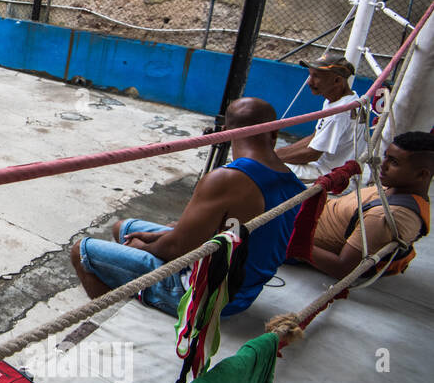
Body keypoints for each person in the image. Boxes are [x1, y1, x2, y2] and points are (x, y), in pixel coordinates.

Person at [70, 97, 305, 317]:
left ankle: (112, 318)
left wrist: (145, 245)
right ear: (275, 132)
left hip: (204, 296)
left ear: (225, 133)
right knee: (122, 227)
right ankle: (136, 284)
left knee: (81, 250)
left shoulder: (227, 179)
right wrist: (160, 237)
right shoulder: (294, 184)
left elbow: (177, 249)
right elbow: (222, 233)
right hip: (240, 287)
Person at [304, 131, 432, 279]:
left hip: (291, 231)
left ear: (422, 175)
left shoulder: (384, 217)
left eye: (394, 162)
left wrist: (290, 241)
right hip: (305, 212)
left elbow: (343, 268)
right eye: (386, 157)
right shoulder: (398, 189)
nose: (382, 165)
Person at [276, 54, 365, 181]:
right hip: (333, 170)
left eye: (316, 76)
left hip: (330, 175)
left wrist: (272, 157)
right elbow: (314, 138)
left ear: (337, 81)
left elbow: (313, 154)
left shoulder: (339, 112)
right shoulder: (347, 100)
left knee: (264, 167)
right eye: (310, 75)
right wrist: (277, 153)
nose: (309, 82)